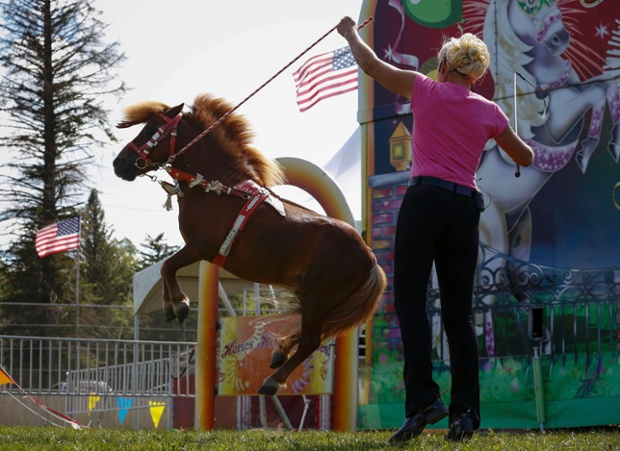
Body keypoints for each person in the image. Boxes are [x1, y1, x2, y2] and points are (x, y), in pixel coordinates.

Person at [337, 17, 534, 443]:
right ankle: (465, 414)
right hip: (465, 208)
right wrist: (515, 139)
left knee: (411, 303)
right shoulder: (490, 111)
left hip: (423, 202)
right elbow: (526, 156)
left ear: (443, 65)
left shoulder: (424, 89)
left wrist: (351, 33)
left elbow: (371, 66)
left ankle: (424, 402)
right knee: (459, 316)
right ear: (475, 75)